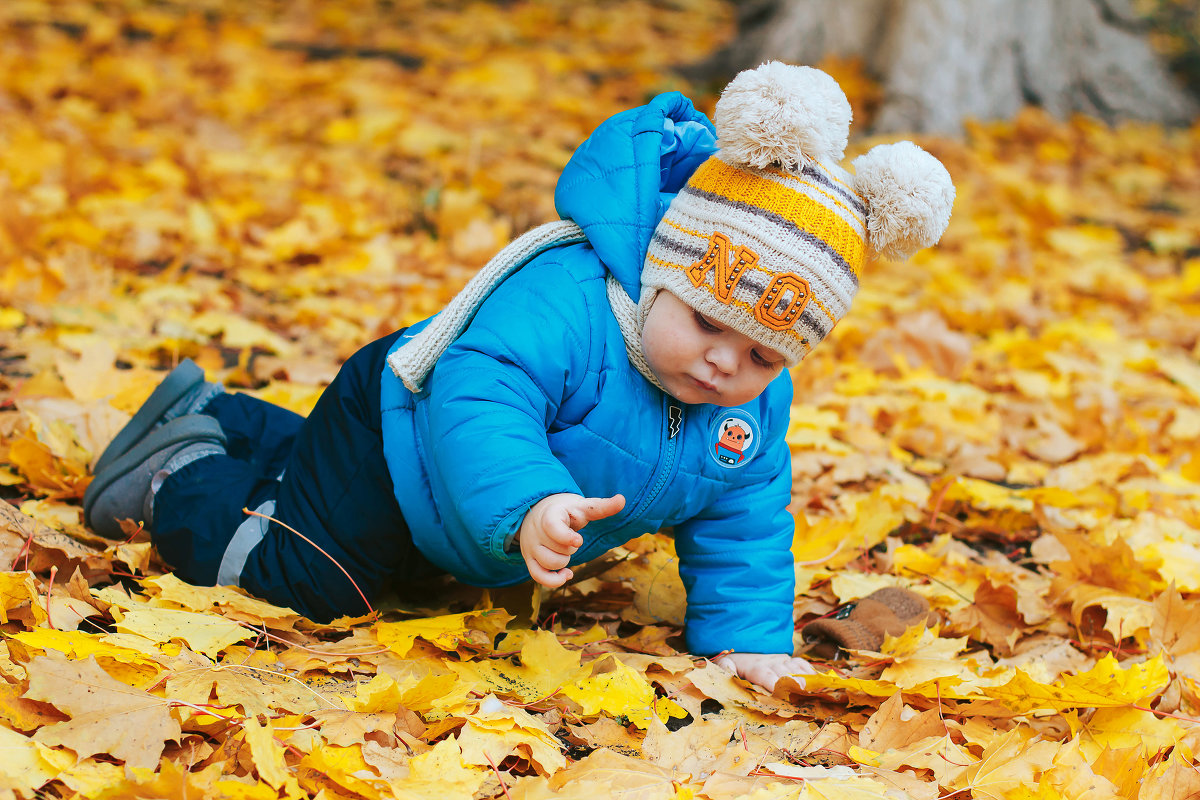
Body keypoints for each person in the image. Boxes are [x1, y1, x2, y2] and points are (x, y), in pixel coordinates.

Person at [83, 63, 954, 692]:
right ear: (665, 271)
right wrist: (532, 501)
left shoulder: (747, 406)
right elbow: (483, 395)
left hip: (455, 504)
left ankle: (234, 418)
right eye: (708, 323)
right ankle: (179, 468)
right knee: (307, 581)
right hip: (403, 427)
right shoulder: (569, 303)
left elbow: (744, 517)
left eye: (764, 355)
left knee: (416, 587)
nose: (728, 363)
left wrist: (747, 640)